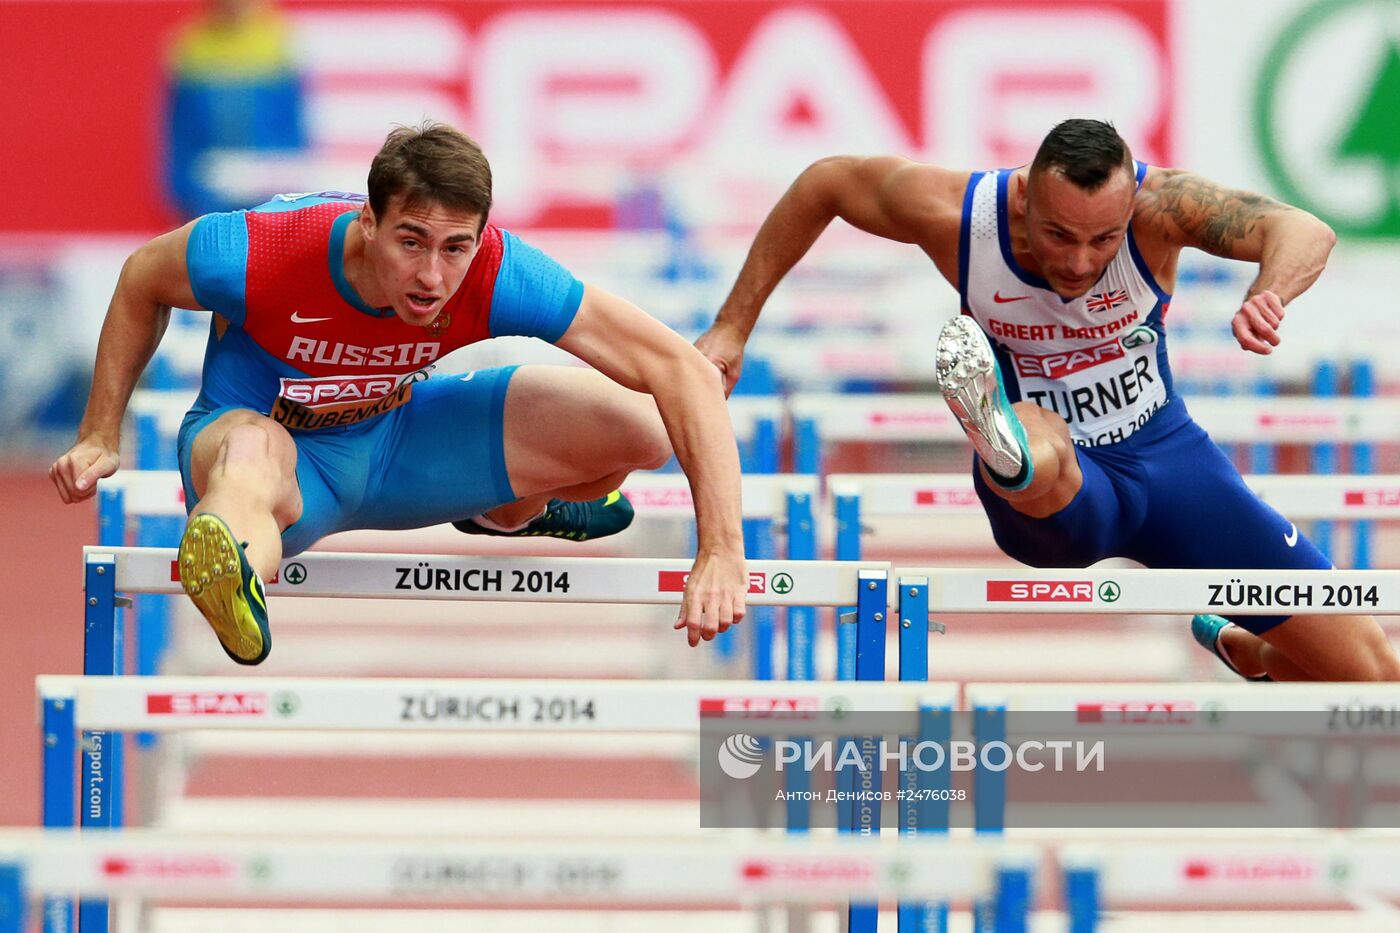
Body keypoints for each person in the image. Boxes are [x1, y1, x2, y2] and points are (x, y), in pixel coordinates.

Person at [698, 118, 1400, 682]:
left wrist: (1268, 291)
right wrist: (734, 324)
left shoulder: (1164, 207)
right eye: (1058, 235)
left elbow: (1304, 230)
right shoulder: (956, 214)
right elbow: (826, 184)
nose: (1078, 262)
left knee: (1375, 673)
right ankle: (999, 437)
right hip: (1059, 489)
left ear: (1132, 208)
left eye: (1104, 239)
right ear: (1023, 198)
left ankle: (1254, 654)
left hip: (1172, 462)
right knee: (1045, 446)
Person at [52, 122, 747, 664]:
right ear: (367, 223)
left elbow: (681, 370)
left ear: (479, 239)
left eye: (454, 248)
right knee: (249, 455)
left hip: (402, 441)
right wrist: (98, 433)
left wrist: (720, 547)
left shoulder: (496, 271)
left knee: (643, 426)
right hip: (280, 457)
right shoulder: (264, 249)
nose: (432, 275)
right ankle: (234, 572)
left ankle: (512, 509)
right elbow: (142, 277)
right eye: (411, 242)